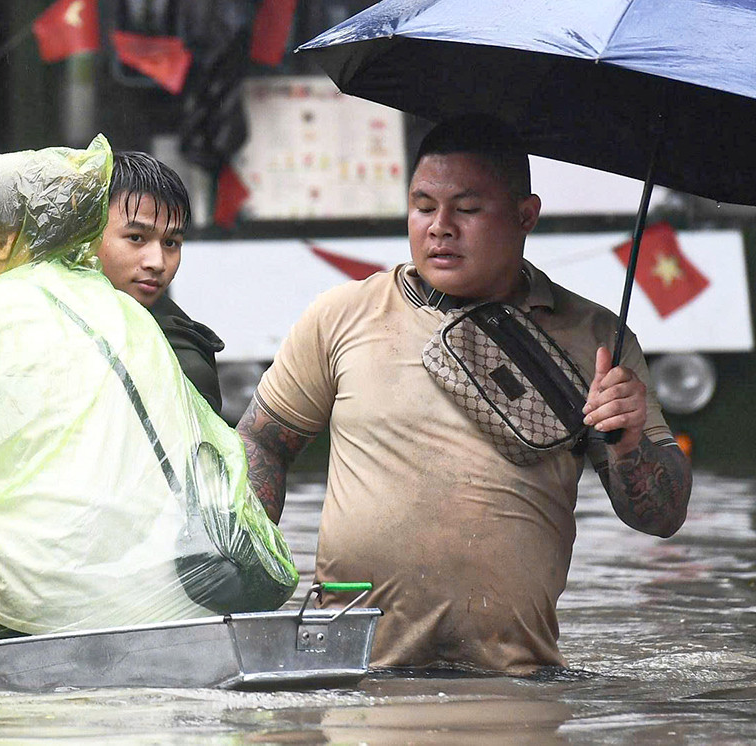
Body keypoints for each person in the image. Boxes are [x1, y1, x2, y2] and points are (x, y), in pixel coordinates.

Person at [237, 115, 692, 675]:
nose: (440, 227)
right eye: (423, 206)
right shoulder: (342, 316)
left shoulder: (596, 341)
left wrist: (627, 448)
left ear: (526, 216)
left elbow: (664, 517)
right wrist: (246, 568)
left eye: (468, 210)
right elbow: (261, 442)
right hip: (354, 676)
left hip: (517, 683)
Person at [0, 135, 297, 641]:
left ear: (6, 241)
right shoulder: (132, 319)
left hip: (20, 601)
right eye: (136, 238)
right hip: (164, 605)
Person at [98, 151, 225, 414]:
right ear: (89, 232)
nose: (157, 262)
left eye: (171, 243)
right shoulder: (40, 315)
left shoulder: (183, 364)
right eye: (136, 237)